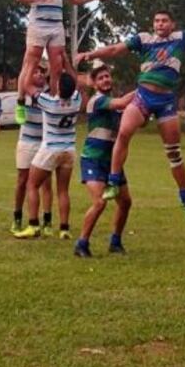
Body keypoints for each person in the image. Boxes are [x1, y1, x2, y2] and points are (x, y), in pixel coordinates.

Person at [77, 0, 185, 225]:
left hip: (165, 102)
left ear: (171, 24)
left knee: (174, 154)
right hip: (142, 96)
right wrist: (93, 54)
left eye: (164, 21)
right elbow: (116, 49)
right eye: (157, 21)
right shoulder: (143, 39)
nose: (160, 24)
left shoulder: (180, 39)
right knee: (124, 133)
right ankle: (114, 180)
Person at [14, 0, 108, 124]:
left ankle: (53, 100)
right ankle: (20, 102)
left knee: (57, 65)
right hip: (38, 25)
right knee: (31, 63)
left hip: (56, 26)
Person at [74, 65, 135, 258]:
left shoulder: (115, 105)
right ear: (96, 84)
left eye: (107, 76)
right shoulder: (98, 100)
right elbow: (123, 102)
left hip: (112, 162)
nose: (106, 80)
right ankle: (81, 244)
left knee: (125, 202)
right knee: (100, 203)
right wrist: (148, 86)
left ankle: (115, 242)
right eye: (101, 78)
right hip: (93, 159)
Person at [13, 72, 81, 240]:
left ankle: (33, 224)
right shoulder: (77, 100)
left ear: (58, 87)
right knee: (63, 190)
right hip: (69, 150)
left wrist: (27, 67)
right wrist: (65, 60)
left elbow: (27, 86)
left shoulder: (49, 102)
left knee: (32, 184)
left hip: (51, 149)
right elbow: (76, 82)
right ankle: (64, 229)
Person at [11, 63, 54, 235]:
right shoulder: (25, 91)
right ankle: (17, 218)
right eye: (35, 72)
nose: (39, 74)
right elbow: (23, 73)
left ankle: (48, 221)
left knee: (46, 183)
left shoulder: (48, 92)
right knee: (22, 181)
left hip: (44, 143)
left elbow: (55, 71)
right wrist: (30, 60)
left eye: (41, 72)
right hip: (26, 142)